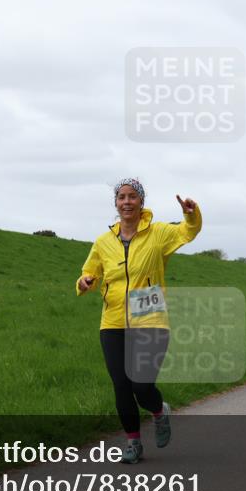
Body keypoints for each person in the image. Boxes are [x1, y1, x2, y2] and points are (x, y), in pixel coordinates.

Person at [76, 178, 202, 464]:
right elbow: (90, 271)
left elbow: (188, 232)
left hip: (150, 318)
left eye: (133, 196)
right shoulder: (103, 242)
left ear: (141, 202)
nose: (127, 202)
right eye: (121, 197)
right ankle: (133, 444)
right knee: (121, 384)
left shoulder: (158, 234)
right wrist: (84, 283)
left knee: (141, 386)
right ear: (116, 204)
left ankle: (159, 411)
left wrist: (191, 213)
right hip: (113, 321)